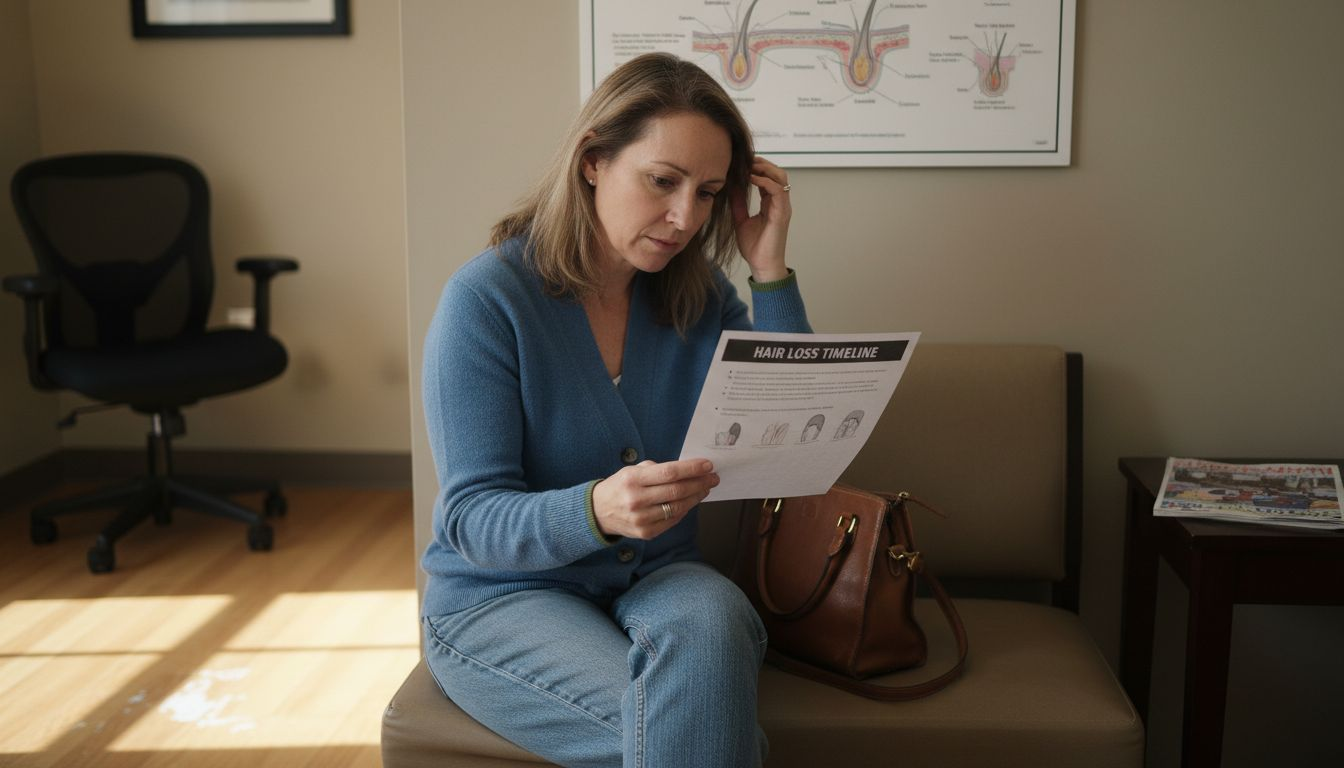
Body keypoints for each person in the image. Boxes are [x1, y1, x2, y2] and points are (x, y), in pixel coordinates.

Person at [420, 52, 810, 768]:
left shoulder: (701, 298)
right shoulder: (487, 301)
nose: (685, 217)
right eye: (663, 181)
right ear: (593, 161)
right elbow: (471, 519)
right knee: (701, 735)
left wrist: (769, 271)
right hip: (504, 599)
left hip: (663, 577)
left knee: (715, 617)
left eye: (707, 193)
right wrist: (595, 511)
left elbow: (789, 435)